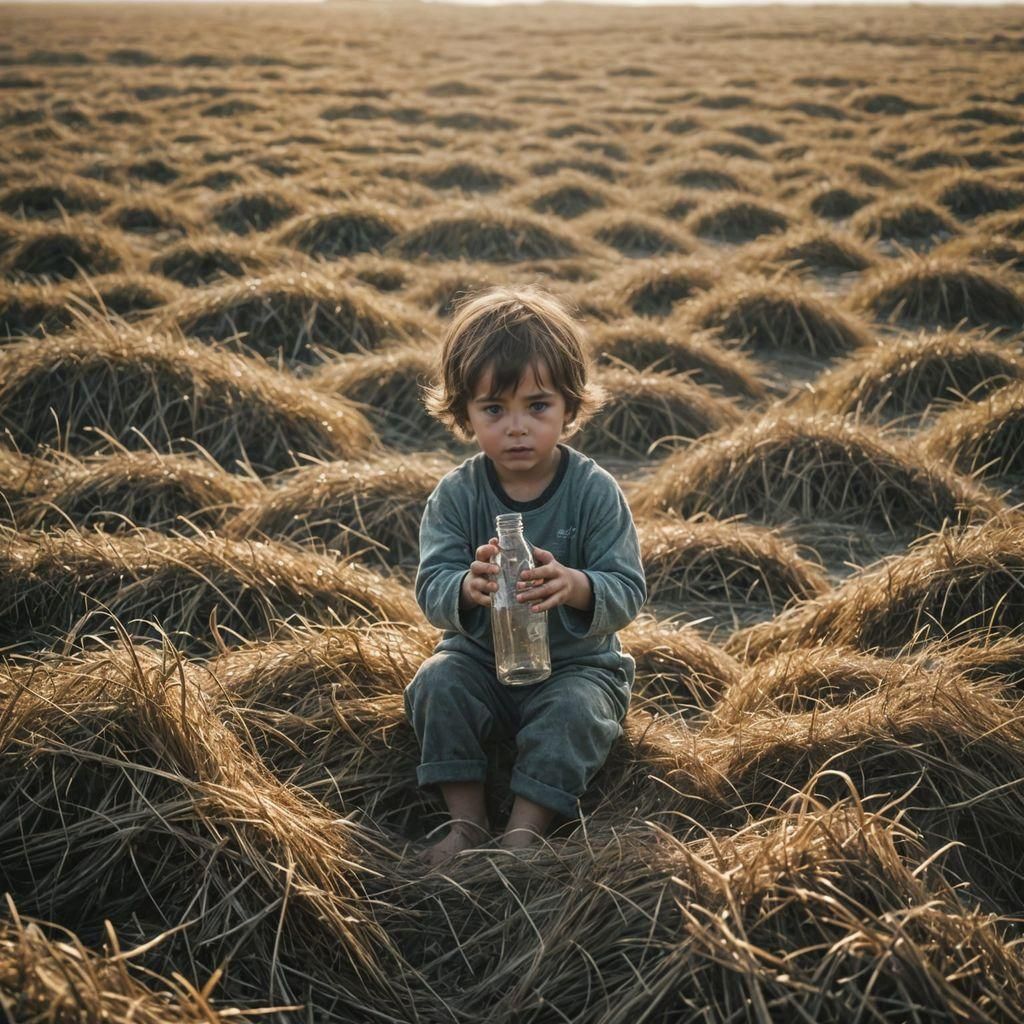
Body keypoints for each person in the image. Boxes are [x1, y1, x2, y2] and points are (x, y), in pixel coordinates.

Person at [403, 285, 647, 869]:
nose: (517, 428)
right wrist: (466, 588)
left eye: (537, 406)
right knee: (437, 682)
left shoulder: (593, 492)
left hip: (575, 667)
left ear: (569, 407)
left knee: (576, 712)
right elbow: (431, 584)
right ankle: (466, 823)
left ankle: (522, 833)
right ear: (464, 414)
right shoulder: (457, 496)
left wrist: (576, 586)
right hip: (480, 663)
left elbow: (628, 589)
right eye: (494, 409)